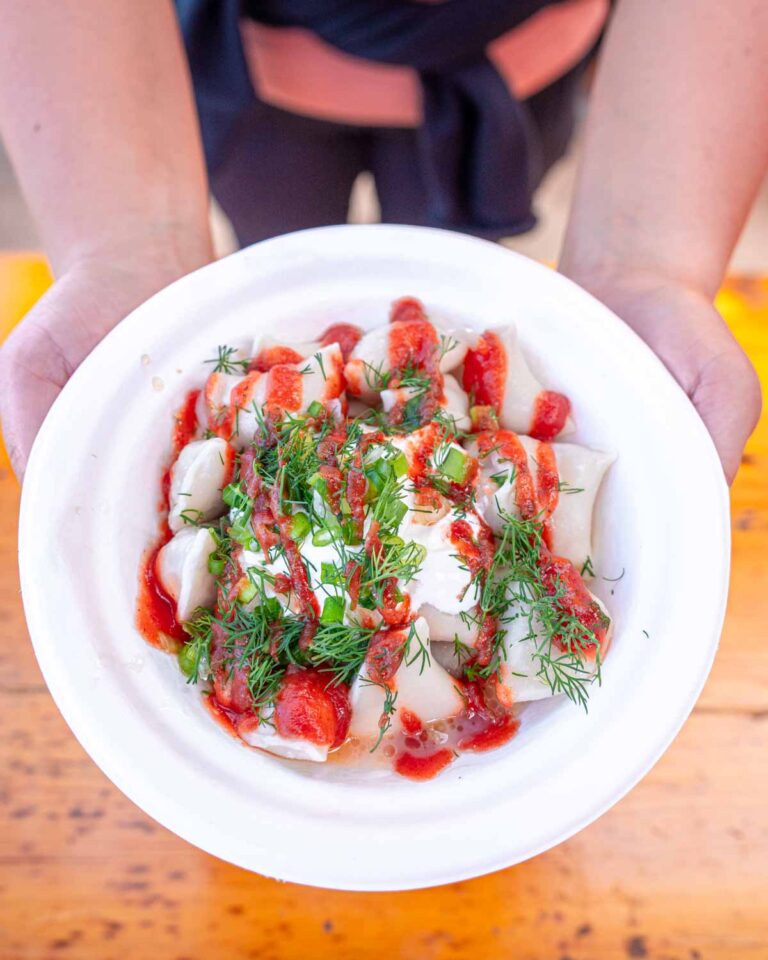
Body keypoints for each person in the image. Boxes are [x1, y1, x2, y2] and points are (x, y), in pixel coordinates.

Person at [0, 0, 764, 482]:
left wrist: (648, 261)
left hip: (527, 59)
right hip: (231, 67)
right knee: (282, 248)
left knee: (460, 288)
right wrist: (126, 250)